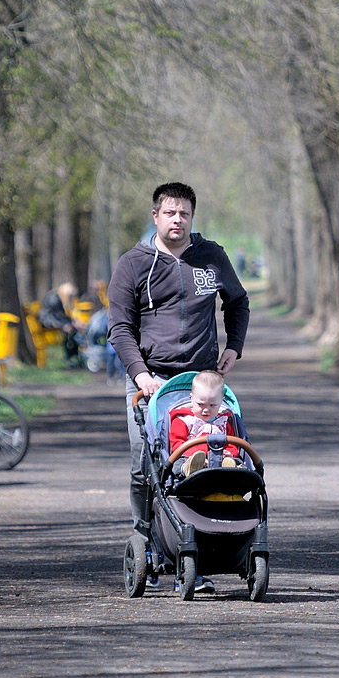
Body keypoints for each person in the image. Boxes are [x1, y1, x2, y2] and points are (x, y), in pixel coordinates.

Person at [108, 181, 251, 592]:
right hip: (150, 382)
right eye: (169, 212)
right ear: (155, 216)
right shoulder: (134, 264)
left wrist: (234, 348)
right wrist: (140, 374)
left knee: (204, 464)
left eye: (184, 213)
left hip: (202, 383)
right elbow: (119, 328)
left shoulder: (211, 257)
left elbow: (237, 302)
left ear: (192, 216)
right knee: (145, 466)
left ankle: (199, 550)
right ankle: (149, 544)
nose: (177, 219)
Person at [168, 370, 245, 477]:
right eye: (200, 404)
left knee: (239, 463)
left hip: (218, 458)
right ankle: (189, 468)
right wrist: (197, 455)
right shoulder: (183, 420)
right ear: (192, 399)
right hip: (189, 457)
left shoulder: (223, 421)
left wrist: (228, 453)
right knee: (177, 465)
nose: (206, 410)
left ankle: (228, 467)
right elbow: (177, 444)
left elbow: (232, 442)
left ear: (221, 402)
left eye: (212, 405)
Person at [38, 281, 82, 367]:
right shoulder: (54, 299)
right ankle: (70, 357)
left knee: (72, 330)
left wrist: (73, 322)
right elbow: (56, 316)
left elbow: (62, 316)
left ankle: (74, 356)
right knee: (70, 331)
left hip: (53, 321)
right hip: (49, 322)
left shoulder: (58, 297)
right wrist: (66, 325)